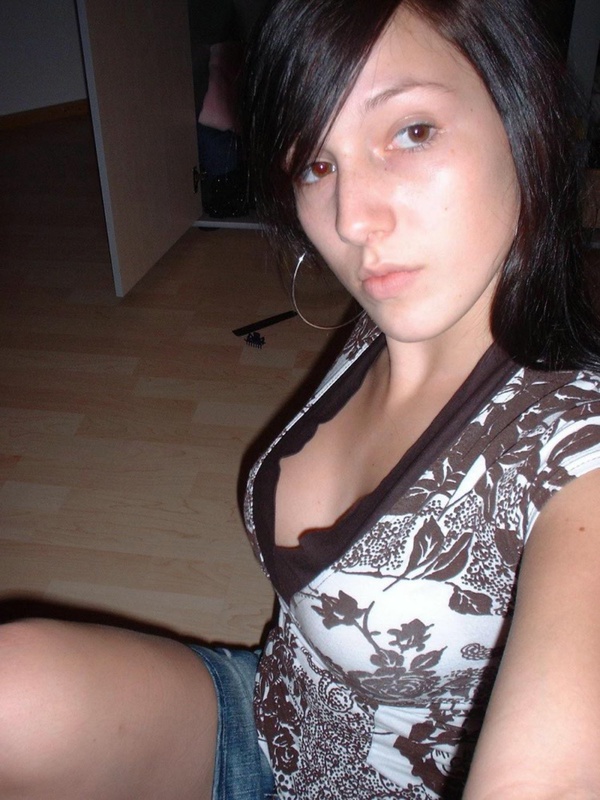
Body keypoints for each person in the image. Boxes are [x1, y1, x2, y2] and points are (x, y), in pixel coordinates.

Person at [1, 0, 600, 797]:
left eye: (412, 131)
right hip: (271, 715)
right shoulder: (398, 319)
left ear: (520, 113)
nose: (352, 219)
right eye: (317, 162)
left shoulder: (575, 454)